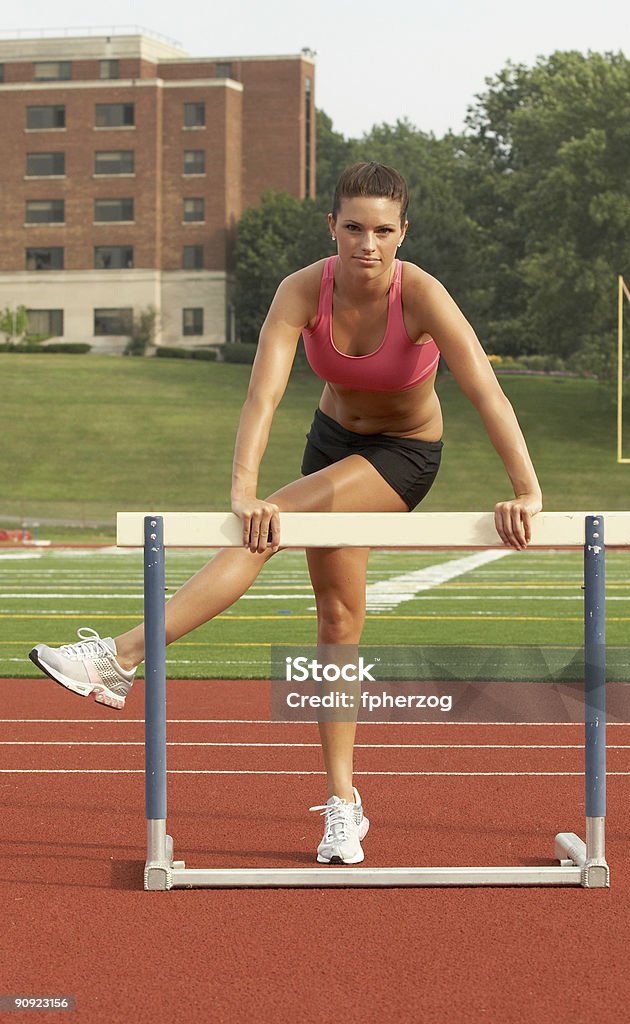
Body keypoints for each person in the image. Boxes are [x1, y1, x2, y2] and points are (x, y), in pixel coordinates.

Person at [29, 162, 543, 866]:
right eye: (354, 227)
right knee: (336, 622)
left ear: (402, 233)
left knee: (268, 531)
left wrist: (526, 489)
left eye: (383, 230)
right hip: (329, 446)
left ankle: (120, 658)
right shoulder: (303, 290)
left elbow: (487, 392)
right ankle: (344, 806)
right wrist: (243, 490)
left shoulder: (421, 295)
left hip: (402, 457)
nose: (368, 243)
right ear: (331, 226)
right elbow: (262, 397)